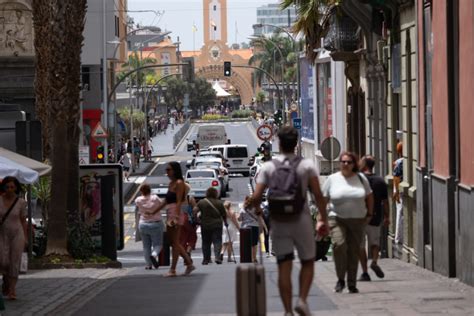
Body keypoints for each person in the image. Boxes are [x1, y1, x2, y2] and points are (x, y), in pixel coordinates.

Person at [251, 126, 328, 316]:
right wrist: (322, 219)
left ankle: (287, 311)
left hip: (279, 222)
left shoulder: (269, 167)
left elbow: (257, 196)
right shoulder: (307, 166)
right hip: (300, 220)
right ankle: (302, 299)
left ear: (279, 142)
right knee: (308, 261)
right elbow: (318, 195)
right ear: (296, 144)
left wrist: (258, 209)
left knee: (283, 265)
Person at [322, 151, 374, 294]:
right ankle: (340, 279)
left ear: (354, 164)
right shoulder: (332, 179)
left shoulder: (361, 178)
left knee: (353, 251)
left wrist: (369, 214)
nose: (345, 164)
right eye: (343, 161)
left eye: (349, 162)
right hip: (337, 219)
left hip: (358, 220)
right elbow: (323, 200)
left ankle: (351, 283)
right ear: (339, 163)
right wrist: (321, 219)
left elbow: (369, 197)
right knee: (339, 245)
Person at [149, 162, 195, 277]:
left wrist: (176, 216)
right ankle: (188, 263)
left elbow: (179, 201)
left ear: (175, 170)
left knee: (174, 242)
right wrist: (154, 211)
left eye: (169, 169)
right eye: (166, 170)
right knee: (173, 242)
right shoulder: (171, 184)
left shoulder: (179, 183)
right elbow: (165, 200)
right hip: (170, 212)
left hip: (176, 213)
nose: (167, 172)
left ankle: (174, 269)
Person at [358, 156, 390, 281]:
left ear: (365, 165)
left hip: (360, 217)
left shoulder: (358, 179)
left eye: (361, 162)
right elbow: (385, 202)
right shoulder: (380, 181)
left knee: (360, 246)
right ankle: (375, 261)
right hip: (376, 216)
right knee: (374, 243)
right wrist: (387, 217)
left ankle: (365, 272)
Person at [0, 176, 28, 300]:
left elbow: (23, 220)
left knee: (14, 262)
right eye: (7, 187)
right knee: (3, 261)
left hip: (17, 233)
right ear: (4, 187)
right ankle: (6, 280)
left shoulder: (21, 202)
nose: (10, 189)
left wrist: (26, 237)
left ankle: (12, 290)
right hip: (2, 233)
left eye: (12, 187)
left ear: (16, 188)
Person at [135, 184, 164, 270]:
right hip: (156, 223)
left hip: (143, 224)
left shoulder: (138, 200)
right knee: (158, 244)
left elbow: (137, 209)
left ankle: (148, 265)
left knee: (146, 246)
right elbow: (163, 205)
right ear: (150, 190)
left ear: (141, 191)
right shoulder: (155, 198)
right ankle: (154, 255)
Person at [195, 187, 226, 265]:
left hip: (205, 224)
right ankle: (217, 257)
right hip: (217, 225)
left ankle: (206, 259)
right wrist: (225, 222)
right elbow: (224, 214)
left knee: (206, 242)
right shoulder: (219, 202)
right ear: (215, 194)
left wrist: (197, 219)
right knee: (217, 241)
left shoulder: (202, 202)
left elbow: (194, 210)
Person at [238, 196, 261, 263]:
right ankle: (254, 258)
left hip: (246, 227)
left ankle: (249, 257)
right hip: (255, 226)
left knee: (247, 244)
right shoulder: (256, 209)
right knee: (254, 243)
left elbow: (240, 219)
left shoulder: (243, 209)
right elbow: (259, 217)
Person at [179, 184, 198, 261]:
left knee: (182, 239)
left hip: (178, 220)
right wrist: (195, 216)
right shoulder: (189, 198)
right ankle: (188, 251)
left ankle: (184, 255)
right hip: (188, 219)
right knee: (192, 237)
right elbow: (195, 209)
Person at [393, 139, 403, 245]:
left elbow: (396, 177)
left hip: (399, 189)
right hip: (400, 189)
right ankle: (398, 237)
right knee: (400, 213)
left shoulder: (398, 162)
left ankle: (398, 237)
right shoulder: (400, 162)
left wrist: (396, 190)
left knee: (399, 213)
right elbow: (396, 177)